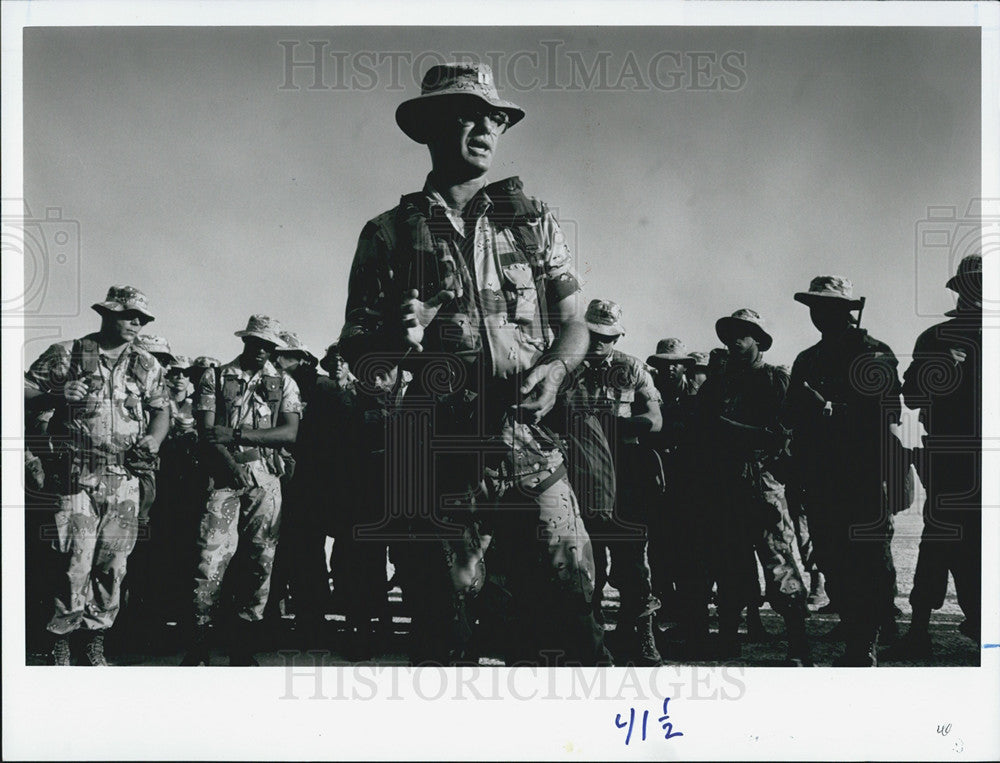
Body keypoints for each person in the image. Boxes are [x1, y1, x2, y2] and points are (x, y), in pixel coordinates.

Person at [338, 61, 607, 666]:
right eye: (468, 114)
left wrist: (559, 368)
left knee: (571, 593)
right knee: (446, 616)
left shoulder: (533, 222)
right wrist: (394, 336)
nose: (486, 128)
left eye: (495, 117)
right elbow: (358, 355)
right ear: (432, 127)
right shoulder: (387, 234)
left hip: (527, 442)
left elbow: (574, 324)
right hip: (434, 454)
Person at [24, 285, 169, 665]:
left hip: (125, 476)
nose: (136, 323)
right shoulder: (67, 354)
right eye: (129, 316)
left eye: (142, 318)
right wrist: (55, 395)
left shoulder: (147, 364)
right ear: (108, 314)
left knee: (113, 563)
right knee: (73, 561)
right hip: (76, 473)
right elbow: (19, 390)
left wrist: (154, 439)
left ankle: (96, 636)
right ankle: (60, 637)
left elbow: (161, 410)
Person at [787, 277, 901, 666]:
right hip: (820, 477)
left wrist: (831, 408)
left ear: (846, 310)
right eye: (814, 307)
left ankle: (862, 643)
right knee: (833, 558)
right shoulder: (808, 359)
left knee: (867, 558)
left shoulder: (874, 353)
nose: (818, 314)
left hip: (863, 474)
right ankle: (858, 629)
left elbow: (889, 412)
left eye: (827, 307)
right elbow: (792, 417)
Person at [182, 315, 302, 666]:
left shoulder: (284, 383)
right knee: (210, 559)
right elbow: (207, 431)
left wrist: (235, 435)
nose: (263, 350)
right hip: (223, 475)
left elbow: (289, 433)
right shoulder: (216, 376)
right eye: (257, 343)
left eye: (270, 345)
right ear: (246, 341)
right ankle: (199, 644)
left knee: (260, 561)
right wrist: (229, 465)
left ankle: (243, 643)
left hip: (265, 476)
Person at [696, 309, 812, 665]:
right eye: (730, 336)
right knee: (730, 565)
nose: (733, 343)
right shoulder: (717, 382)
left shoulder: (776, 379)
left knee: (779, 561)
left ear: (758, 341)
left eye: (742, 336)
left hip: (763, 484)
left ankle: (798, 644)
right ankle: (729, 641)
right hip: (725, 484)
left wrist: (733, 430)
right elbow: (702, 427)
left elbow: (785, 432)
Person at [563, 300, 663, 665]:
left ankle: (639, 637)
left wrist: (610, 426)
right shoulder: (565, 367)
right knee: (586, 563)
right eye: (594, 334)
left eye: (609, 336)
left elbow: (655, 420)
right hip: (576, 472)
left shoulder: (632, 368)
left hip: (625, 473)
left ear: (620, 334)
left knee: (632, 563)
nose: (600, 342)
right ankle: (591, 639)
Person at [892, 254, 982, 657]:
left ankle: (982, 626)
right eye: (971, 285)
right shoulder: (935, 338)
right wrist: (939, 370)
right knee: (937, 543)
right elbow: (910, 396)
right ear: (959, 290)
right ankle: (918, 633)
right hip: (947, 458)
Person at [644, 338, 697, 628]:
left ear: (685, 367)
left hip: (689, 484)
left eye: (675, 364)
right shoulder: (650, 396)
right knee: (660, 548)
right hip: (657, 483)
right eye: (663, 365)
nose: (669, 369)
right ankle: (667, 605)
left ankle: (689, 612)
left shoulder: (698, 397)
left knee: (688, 548)